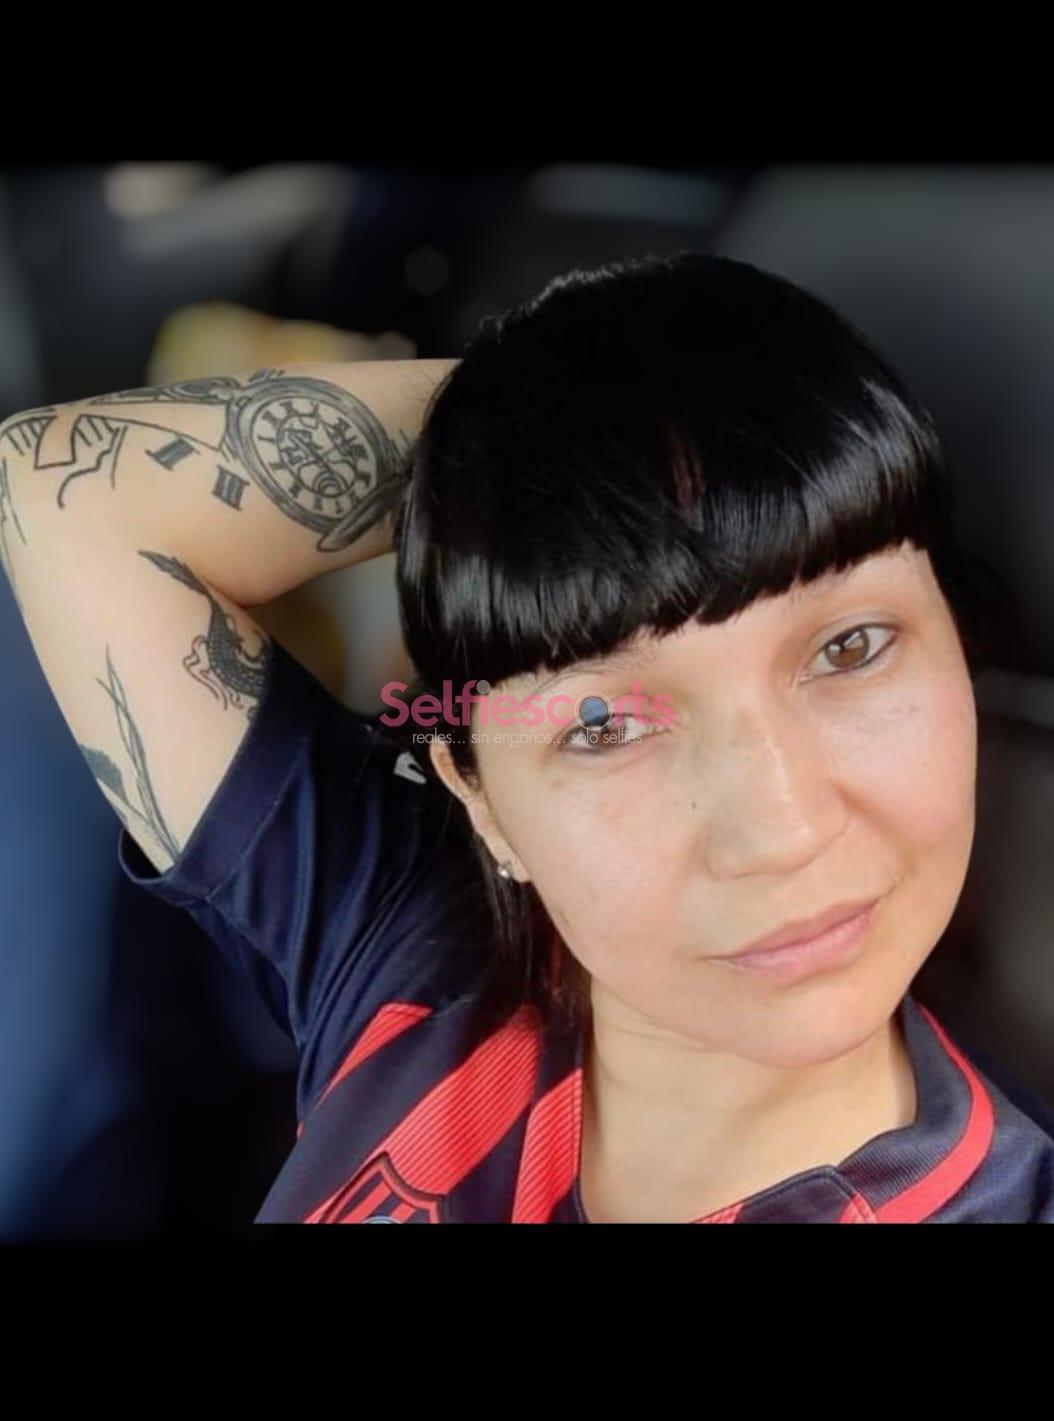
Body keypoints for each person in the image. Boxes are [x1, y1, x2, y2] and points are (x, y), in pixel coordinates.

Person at [3, 251, 1053, 1223]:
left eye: (850, 647)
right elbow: (61, 496)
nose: (779, 829)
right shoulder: (410, 941)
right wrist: (543, 431)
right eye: (604, 723)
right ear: (484, 801)